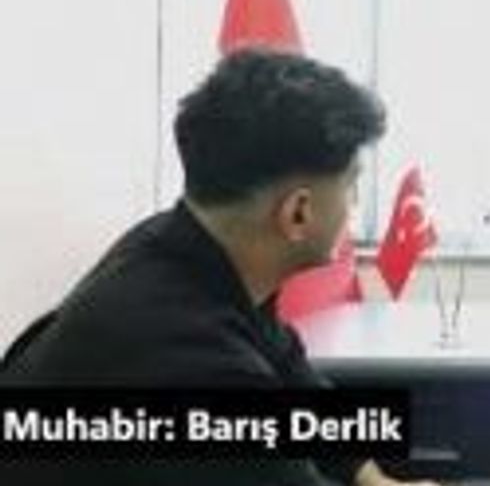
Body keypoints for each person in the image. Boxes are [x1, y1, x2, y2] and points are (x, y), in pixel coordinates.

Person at [1, 49, 436, 486]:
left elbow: (293, 377)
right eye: (350, 186)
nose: (354, 204)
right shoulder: (192, 358)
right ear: (298, 213)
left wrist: (377, 482)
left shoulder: (186, 246)